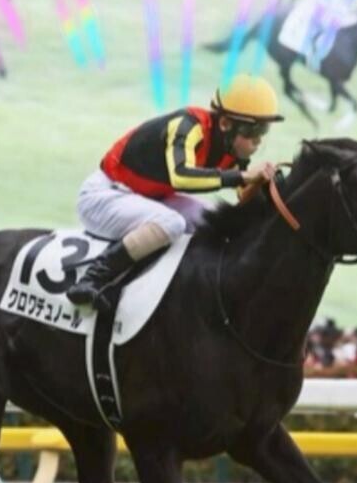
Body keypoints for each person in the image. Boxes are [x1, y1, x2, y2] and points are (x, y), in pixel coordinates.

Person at [67, 73, 284, 309]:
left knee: (211, 218)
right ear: (225, 124)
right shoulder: (188, 125)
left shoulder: (229, 146)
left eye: (263, 131)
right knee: (172, 223)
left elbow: (244, 195)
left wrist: (270, 187)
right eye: (251, 131)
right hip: (104, 196)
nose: (257, 141)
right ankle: (93, 279)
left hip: (149, 199)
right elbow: (181, 176)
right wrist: (242, 176)